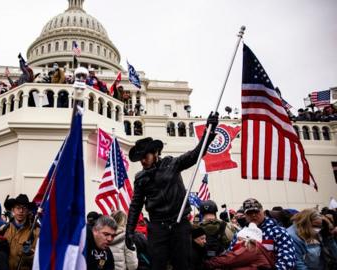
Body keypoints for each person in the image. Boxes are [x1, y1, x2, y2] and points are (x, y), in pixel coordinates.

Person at [124, 112, 219, 270]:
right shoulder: (140, 178)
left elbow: (196, 154)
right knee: (157, 265)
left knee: (182, 264)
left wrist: (208, 132)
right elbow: (136, 205)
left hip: (179, 224)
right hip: (157, 227)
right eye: (139, 158)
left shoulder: (172, 164)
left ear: (155, 153)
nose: (142, 160)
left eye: (144, 156)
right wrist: (129, 231)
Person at [229, 198, 296, 269]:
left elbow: (288, 257)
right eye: (250, 213)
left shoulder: (278, 232)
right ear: (245, 215)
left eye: (256, 212)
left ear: (263, 212)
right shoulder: (240, 234)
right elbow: (230, 255)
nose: (253, 215)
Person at [205, 223, 274, 269]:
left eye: (239, 239)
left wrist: (207, 263)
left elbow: (230, 259)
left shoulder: (251, 247)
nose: (236, 242)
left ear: (247, 239)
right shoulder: (256, 248)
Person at [3, 194, 39, 270]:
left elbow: (41, 258)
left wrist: (30, 253)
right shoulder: (5, 229)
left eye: (24, 208)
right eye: (18, 208)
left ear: (28, 211)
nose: (21, 211)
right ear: (13, 210)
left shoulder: (36, 231)